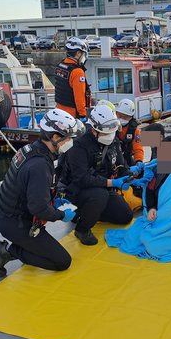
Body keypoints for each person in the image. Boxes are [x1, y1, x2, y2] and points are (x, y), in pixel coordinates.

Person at [0, 109, 82, 277]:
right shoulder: (39, 165)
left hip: (10, 213)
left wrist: (55, 199)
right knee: (62, 261)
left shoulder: (33, 150)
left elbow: (38, 189)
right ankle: (4, 251)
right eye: (68, 138)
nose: (70, 142)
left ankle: (19, 247)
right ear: (54, 137)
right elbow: (39, 209)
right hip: (15, 223)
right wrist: (61, 215)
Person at [105, 136, 171, 262]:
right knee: (146, 240)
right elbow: (150, 190)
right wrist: (152, 208)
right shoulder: (164, 166)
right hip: (157, 216)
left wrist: (158, 216)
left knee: (153, 245)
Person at [59, 103, 136, 246]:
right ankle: (82, 228)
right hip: (79, 190)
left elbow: (122, 164)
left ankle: (90, 212)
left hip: (103, 187)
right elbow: (82, 179)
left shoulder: (117, 139)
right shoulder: (79, 146)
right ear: (94, 129)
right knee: (100, 195)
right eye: (106, 132)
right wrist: (112, 183)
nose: (110, 136)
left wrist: (132, 176)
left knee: (126, 215)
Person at [54, 37, 91, 119]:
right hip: (71, 114)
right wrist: (82, 114)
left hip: (58, 110)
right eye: (83, 54)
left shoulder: (60, 65)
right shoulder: (77, 72)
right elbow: (79, 97)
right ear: (78, 53)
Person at [115, 99, 144, 166]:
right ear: (116, 113)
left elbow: (138, 147)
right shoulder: (110, 126)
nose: (122, 119)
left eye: (125, 117)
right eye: (120, 116)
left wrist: (139, 160)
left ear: (131, 117)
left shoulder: (135, 131)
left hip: (127, 157)